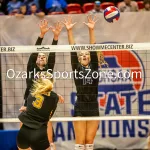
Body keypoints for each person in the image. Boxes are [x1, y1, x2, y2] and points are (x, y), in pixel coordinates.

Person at [22, 19, 63, 150]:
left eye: (44, 56)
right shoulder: (31, 68)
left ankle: (49, 144)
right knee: (26, 128)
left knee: (46, 126)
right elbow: (34, 52)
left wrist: (56, 37)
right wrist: (42, 35)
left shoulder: (49, 69)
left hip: (44, 101)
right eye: (40, 56)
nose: (42, 57)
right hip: (29, 101)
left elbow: (53, 54)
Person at [63, 15, 99, 150]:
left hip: (93, 107)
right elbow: (73, 49)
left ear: (90, 58)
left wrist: (91, 30)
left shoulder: (95, 67)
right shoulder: (76, 68)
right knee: (80, 142)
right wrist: (69, 31)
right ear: (78, 59)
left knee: (89, 142)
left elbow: (93, 48)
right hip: (80, 107)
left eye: (87, 54)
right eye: (81, 55)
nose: (84, 55)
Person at [17, 72, 64, 150]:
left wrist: (26, 109)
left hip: (23, 134)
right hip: (38, 134)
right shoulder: (54, 97)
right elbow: (48, 116)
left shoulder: (32, 92)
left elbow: (35, 106)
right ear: (51, 82)